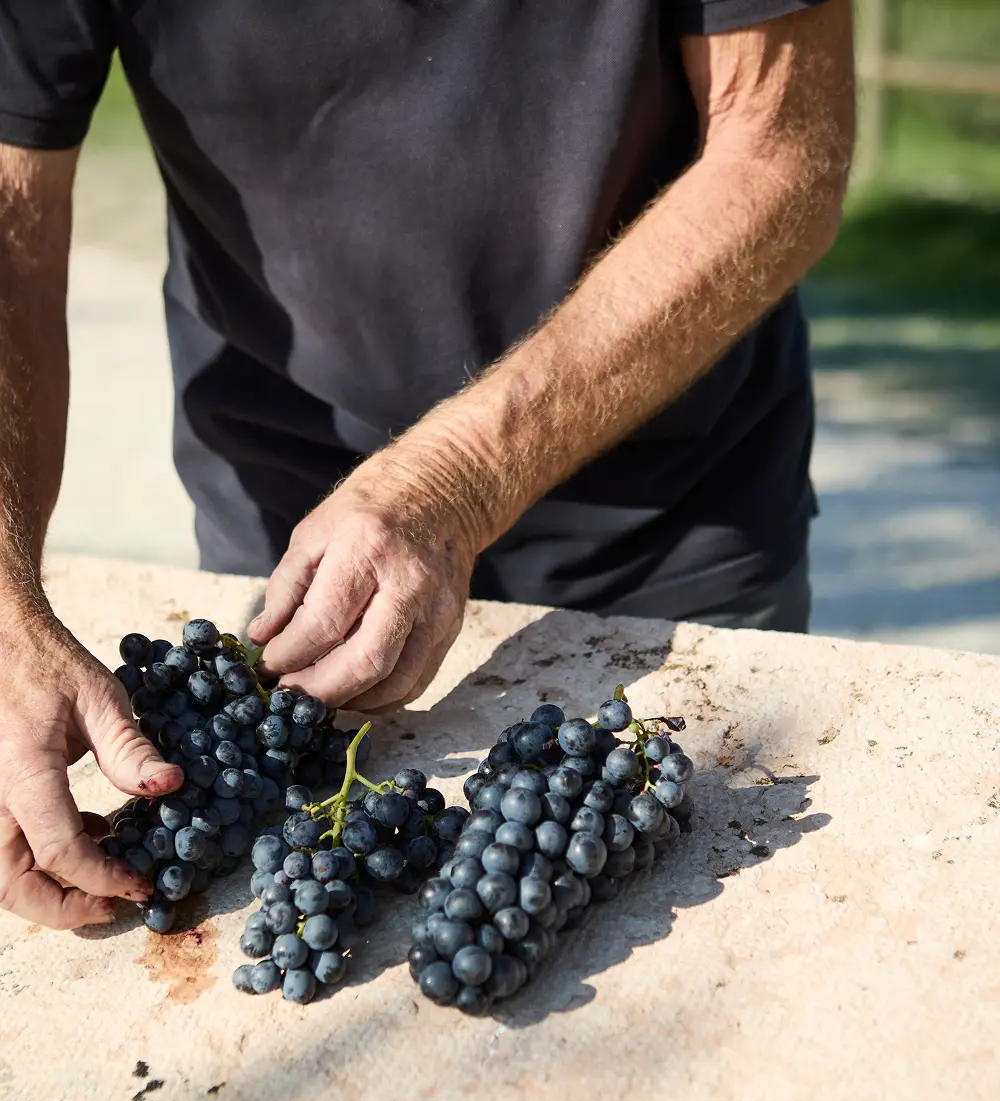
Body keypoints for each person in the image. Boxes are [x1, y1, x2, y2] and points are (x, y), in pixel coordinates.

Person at [0, 0, 854, 928]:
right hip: (293, 565)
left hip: (664, 531)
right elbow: (10, 219)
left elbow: (781, 147)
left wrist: (458, 474)